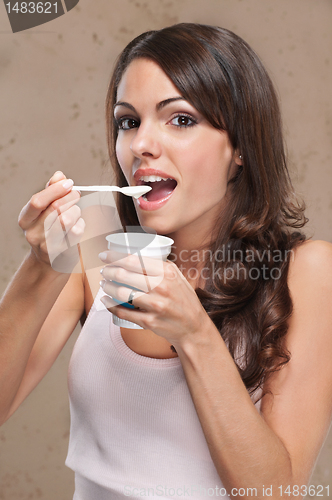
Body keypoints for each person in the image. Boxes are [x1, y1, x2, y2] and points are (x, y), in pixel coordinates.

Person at [1, 23, 332, 500]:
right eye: (128, 121)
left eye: (179, 119)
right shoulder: (92, 240)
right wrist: (42, 263)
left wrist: (196, 334)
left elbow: (274, 492)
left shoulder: (304, 272)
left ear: (239, 147)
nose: (139, 145)